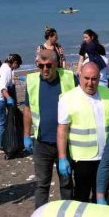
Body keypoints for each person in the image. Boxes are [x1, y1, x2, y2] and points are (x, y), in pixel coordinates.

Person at [23, 49, 77, 208]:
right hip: (42, 142)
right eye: (41, 66)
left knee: (66, 182)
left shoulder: (69, 78)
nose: (44, 69)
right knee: (41, 184)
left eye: (48, 65)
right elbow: (27, 109)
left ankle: (67, 215)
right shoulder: (32, 81)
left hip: (66, 142)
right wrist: (26, 135)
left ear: (56, 64)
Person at [57, 62, 109, 203]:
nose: (90, 83)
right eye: (86, 78)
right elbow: (62, 129)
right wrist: (62, 157)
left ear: (99, 78)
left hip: (105, 156)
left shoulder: (106, 92)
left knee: (101, 194)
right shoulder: (68, 98)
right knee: (81, 195)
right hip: (82, 159)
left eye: (94, 79)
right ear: (80, 76)